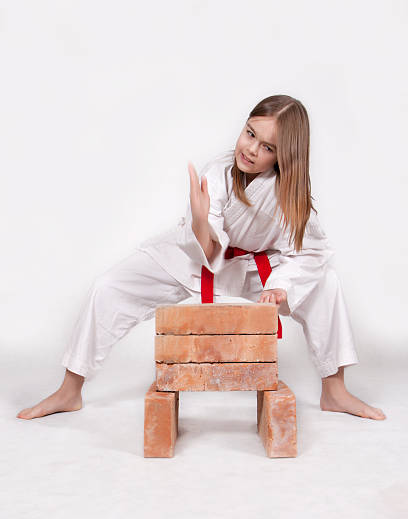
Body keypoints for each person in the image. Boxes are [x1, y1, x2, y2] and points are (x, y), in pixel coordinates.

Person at [17, 94, 386, 421]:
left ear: (285, 156)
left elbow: (311, 253)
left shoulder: (290, 197)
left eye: (268, 147)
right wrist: (198, 218)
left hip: (254, 269)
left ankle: (334, 390)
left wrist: (282, 287)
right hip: (196, 255)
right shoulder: (219, 172)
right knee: (110, 286)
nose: (252, 149)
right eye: (250, 133)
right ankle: (70, 389)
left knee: (327, 282)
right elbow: (208, 250)